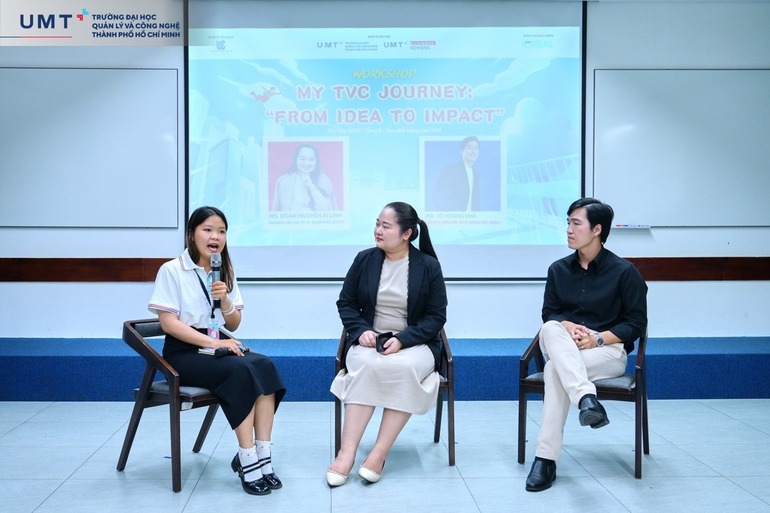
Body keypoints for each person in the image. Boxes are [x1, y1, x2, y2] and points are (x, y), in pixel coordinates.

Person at [148, 206, 286, 496]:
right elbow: (169, 324)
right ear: (191, 234)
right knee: (240, 371)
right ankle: (247, 459)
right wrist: (214, 343)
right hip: (183, 353)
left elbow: (233, 324)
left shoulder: (223, 271)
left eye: (221, 231)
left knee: (264, 365)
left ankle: (263, 455)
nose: (215, 237)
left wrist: (225, 301)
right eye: (208, 230)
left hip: (215, 342)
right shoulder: (172, 270)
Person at [525, 198, 647, 492]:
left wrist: (596, 338)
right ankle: (586, 400)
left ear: (597, 230)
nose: (568, 229)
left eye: (575, 223)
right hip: (564, 343)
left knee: (554, 371)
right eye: (568, 222)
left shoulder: (624, 272)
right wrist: (568, 327)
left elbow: (635, 324)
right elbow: (549, 314)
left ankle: (545, 460)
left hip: (606, 350)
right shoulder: (558, 270)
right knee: (550, 328)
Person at [326, 201, 448, 487]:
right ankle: (346, 453)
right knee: (366, 365)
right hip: (370, 342)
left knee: (404, 368)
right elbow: (346, 303)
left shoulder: (428, 266)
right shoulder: (364, 260)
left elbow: (436, 317)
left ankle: (379, 454)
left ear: (406, 234)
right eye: (377, 224)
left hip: (415, 343)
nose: (378, 230)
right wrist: (361, 332)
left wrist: (402, 340)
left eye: (386, 226)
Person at [272, 143, 338, 211]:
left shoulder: (324, 180)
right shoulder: (284, 181)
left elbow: (327, 210)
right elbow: (275, 212)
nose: (306, 163)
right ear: (296, 160)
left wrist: (311, 185)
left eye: (311, 159)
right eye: (302, 159)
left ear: (316, 161)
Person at [432, 135, 481, 211]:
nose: (473, 151)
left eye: (476, 148)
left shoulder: (476, 174)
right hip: (454, 215)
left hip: (472, 216)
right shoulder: (451, 170)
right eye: (470, 148)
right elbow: (438, 194)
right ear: (462, 151)